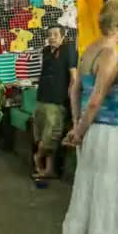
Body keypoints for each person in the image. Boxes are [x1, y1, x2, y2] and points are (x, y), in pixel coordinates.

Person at [60, 0, 118, 234]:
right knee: (106, 190)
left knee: (87, 187)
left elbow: (75, 90)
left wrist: (77, 124)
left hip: (90, 130)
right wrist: (79, 130)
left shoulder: (89, 49)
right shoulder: (111, 52)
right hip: (108, 132)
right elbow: (96, 98)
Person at [33, 25, 78, 179]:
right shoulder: (46, 51)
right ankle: (49, 169)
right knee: (40, 134)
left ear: (63, 36)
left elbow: (74, 76)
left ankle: (38, 158)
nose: (51, 37)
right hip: (41, 97)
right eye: (49, 34)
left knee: (50, 136)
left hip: (56, 100)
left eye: (55, 34)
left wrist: (72, 98)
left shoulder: (69, 50)